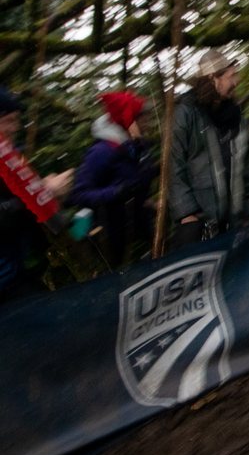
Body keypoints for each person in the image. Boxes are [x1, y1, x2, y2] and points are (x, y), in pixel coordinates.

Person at [168, 48, 249, 246]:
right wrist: (187, 214)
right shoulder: (186, 113)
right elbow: (173, 165)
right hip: (201, 220)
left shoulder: (235, 116)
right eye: (231, 77)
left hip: (232, 219)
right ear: (214, 78)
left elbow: (245, 164)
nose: (235, 82)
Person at [0, 88, 74, 301]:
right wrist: (44, 191)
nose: (15, 128)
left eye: (17, 121)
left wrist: (49, 196)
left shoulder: (12, 159)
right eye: (9, 121)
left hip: (20, 268)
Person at [68, 91, 155, 266]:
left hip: (139, 229)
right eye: (142, 119)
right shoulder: (102, 152)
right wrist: (117, 192)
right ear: (129, 121)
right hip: (111, 238)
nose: (147, 123)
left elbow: (138, 181)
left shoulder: (136, 147)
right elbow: (79, 194)